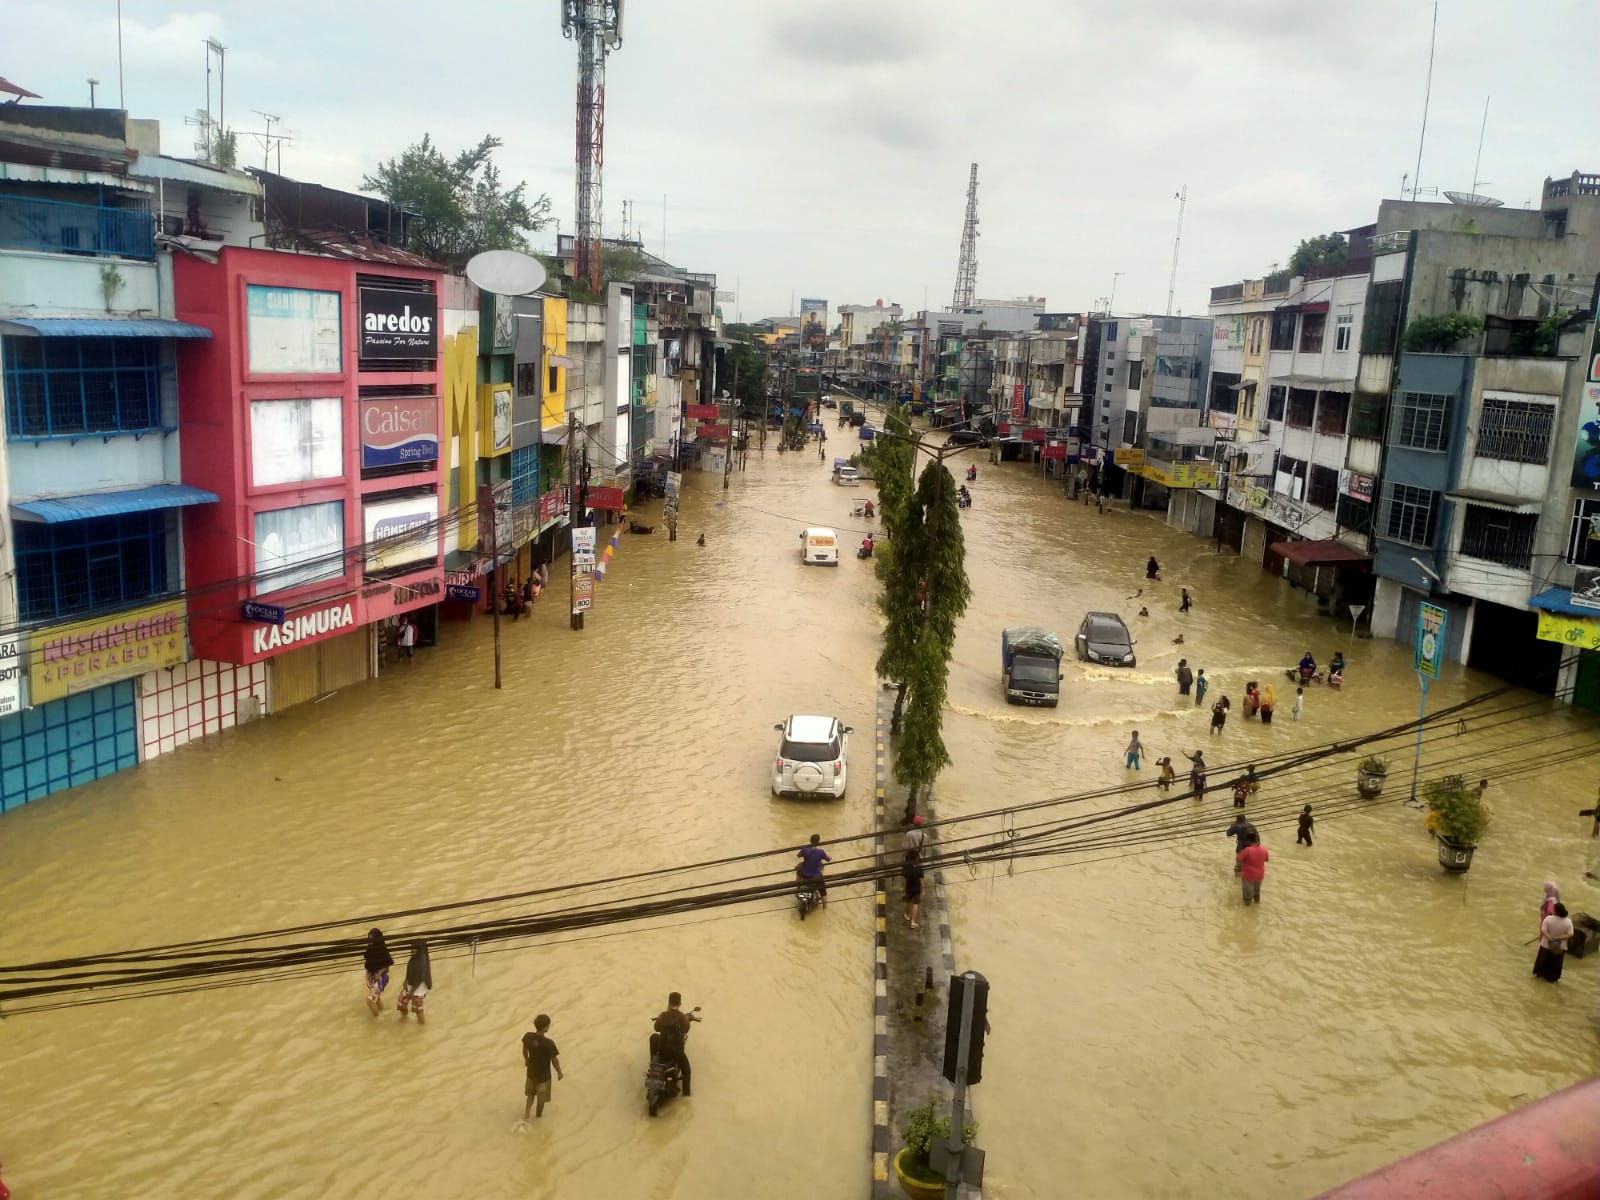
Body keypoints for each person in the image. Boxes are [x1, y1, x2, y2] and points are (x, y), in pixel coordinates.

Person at [653, 993, 697, 1096]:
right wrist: (687, 1019)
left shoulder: (663, 1015)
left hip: (663, 1050)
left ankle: (654, 1062)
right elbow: (686, 1029)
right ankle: (686, 1094)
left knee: (654, 1037)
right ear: (680, 1003)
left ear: (669, 1002)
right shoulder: (682, 1018)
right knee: (686, 1070)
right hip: (677, 1052)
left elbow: (656, 1028)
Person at [522, 1013, 564, 1119]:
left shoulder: (528, 1036)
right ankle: (538, 1117)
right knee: (541, 1100)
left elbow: (524, 1050)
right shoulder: (549, 1043)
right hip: (543, 1077)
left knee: (531, 1094)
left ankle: (527, 1114)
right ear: (545, 1027)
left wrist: (526, 1060)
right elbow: (554, 1060)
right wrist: (559, 1072)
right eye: (548, 1025)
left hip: (531, 1073)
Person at [1533, 903, 1574, 983]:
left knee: (1542, 963)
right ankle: (1552, 979)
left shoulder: (1548, 919)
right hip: (1560, 947)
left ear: (1556, 911)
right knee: (1555, 964)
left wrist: (1550, 938)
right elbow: (1570, 934)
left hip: (1546, 945)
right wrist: (1557, 938)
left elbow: (1543, 930)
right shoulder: (1568, 921)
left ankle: (1540, 976)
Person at [395, 941, 432, 1024]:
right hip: (411, 983)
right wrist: (405, 980)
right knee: (401, 1004)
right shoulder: (415, 957)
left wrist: (410, 995)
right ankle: (405, 1020)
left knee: (417, 1008)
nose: (411, 950)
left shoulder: (421, 963)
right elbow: (410, 970)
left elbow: (418, 982)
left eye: (413, 948)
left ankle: (421, 1026)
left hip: (418, 988)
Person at [363, 928, 394, 1016]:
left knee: (370, 1001)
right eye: (369, 937)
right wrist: (367, 976)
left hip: (382, 976)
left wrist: (379, 973)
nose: (370, 940)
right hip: (372, 975)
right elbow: (368, 965)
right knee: (377, 998)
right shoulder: (369, 949)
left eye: (372, 938)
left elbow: (387, 966)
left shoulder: (383, 950)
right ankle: (382, 1014)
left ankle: (377, 1020)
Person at [797, 833, 831, 902]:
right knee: (823, 893)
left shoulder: (805, 849)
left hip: (805, 875)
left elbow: (798, 855)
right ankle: (825, 908)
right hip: (816, 876)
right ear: (818, 842)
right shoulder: (821, 852)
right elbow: (828, 859)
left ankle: (798, 887)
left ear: (810, 841)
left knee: (798, 869)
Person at [1237, 834, 1269, 905]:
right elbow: (1266, 860)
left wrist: (1239, 868)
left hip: (1248, 876)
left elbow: (1239, 859)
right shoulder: (1264, 849)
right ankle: (1256, 908)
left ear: (1249, 841)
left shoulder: (1247, 850)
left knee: (1247, 897)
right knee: (1256, 893)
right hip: (1260, 876)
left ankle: (1247, 913)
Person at [903, 855, 924, 929]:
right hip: (917, 888)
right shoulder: (919, 869)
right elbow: (921, 880)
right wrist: (923, 890)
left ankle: (907, 915)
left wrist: (903, 888)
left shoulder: (906, 868)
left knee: (908, 901)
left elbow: (905, 880)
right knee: (915, 904)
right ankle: (913, 922)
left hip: (908, 888)